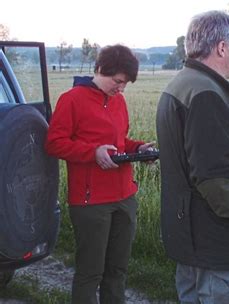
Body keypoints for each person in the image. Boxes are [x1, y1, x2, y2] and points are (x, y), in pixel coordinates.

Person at [156, 10, 229, 303]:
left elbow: (215, 144)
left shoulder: (187, 84)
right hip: (219, 245)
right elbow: (213, 177)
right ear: (221, 47)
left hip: (194, 240)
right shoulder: (207, 95)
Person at [45, 44, 154, 304]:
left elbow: (119, 142)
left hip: (124, 196)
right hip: (90, 202)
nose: (121, 88)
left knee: (117, 271)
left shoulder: (119, 101)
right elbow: (53, 143)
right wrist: (93, 153)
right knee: (90, 272)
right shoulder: (71, 99)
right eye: (118, 81)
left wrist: (139, 148)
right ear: (100, 70)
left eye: (125, 83)